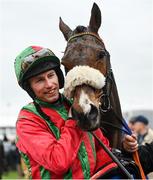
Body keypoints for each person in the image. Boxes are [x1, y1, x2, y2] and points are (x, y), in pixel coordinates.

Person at [14, 46, 139, 179]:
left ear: (59, 77)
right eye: (39, 80)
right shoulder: (27, 120)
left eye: (51, 75)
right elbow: (58, 162)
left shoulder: (75, 103)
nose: (49, 84)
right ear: (30, 88)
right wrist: (74, 119)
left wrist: (123, 147)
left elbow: (101, 150)